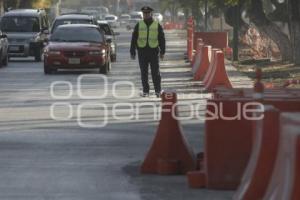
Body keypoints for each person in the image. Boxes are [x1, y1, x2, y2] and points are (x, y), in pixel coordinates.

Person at [130, 6, 166, 97]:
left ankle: (158, 91)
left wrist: (162, 52)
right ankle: (146, 91)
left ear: (151, 14)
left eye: (147, 13)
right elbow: (134, 38)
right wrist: (132, 51)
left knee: (155, 72)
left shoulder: (157, 25)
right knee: (144, 72)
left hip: (153, 51)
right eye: (144, 13)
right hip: (142, 52)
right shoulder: (139, 24)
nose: (145, 15)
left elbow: (162, 39)